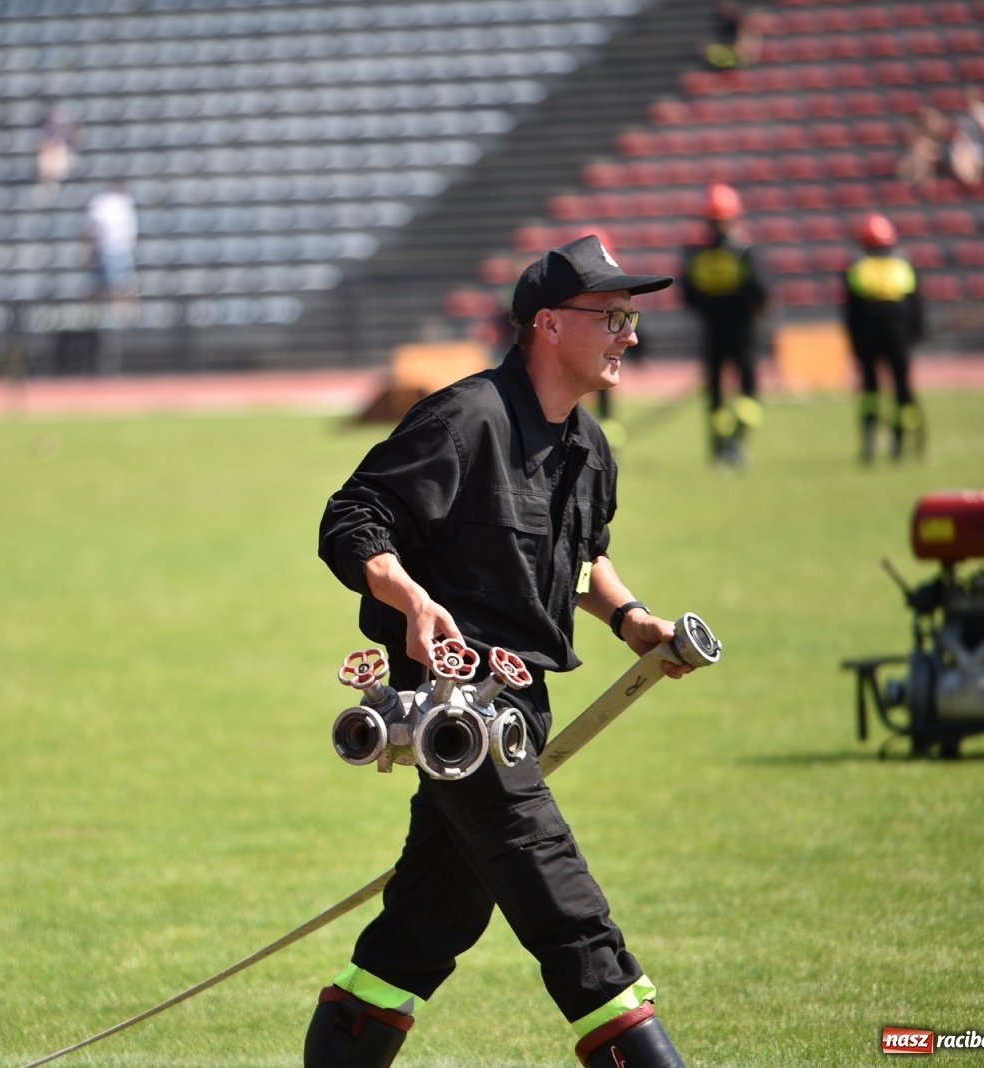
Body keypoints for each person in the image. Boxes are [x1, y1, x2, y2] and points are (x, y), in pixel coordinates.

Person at [310, 235, 694, 1068]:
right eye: (612, 317)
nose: (631, 333)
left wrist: (632, 619)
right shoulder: (465, 418)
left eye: (630, 317)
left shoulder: (591, 448)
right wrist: (412, 602)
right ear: (548, 324)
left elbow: (578, 561)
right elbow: (352, 520)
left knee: (433, 916)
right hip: (458, 716)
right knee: (565, 906)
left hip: (525, 706)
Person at [682, 183, 769, 466]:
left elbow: (688, 294)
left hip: (712, 331)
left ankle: (719, 448)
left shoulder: (696, 253)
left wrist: (711, 310)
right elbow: (762, 291)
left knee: (716, 393)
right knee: (748, 389)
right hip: (744, 333)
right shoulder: (744, 251)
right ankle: (737, 443)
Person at [843, 214, 924, 463]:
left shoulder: (857, 267)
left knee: (870, 390)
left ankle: (869, 445)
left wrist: (854, 344)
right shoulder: (902, 264)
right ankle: (899, 446)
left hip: (868, 337)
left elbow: (850, 310)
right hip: (898, 336)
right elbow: (915, 304)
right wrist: (915, 335)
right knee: (901, 390)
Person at [85, 181, 139, 302]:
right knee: (120, 288)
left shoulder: (105, 202)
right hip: (114, 250)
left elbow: (93, 230)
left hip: (113, 250)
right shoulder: (120, 202)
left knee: (115, 288)